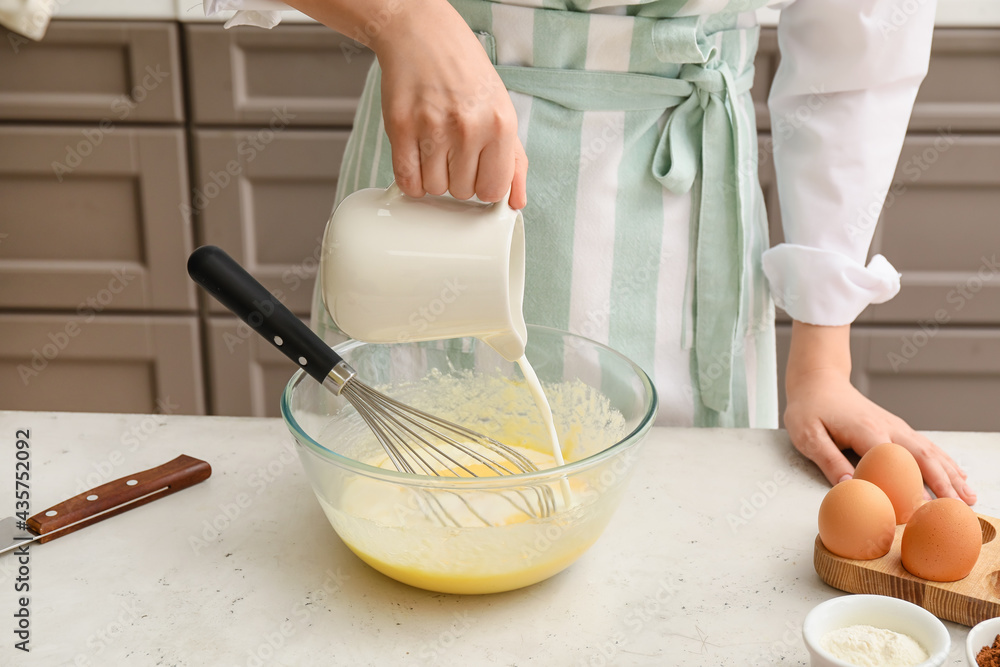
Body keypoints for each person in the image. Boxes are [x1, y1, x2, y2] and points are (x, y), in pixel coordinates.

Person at [208, 0, 976, 504]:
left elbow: (862, 44)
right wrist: (399, 16)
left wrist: (822, 360)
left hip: (680, 220)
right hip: (437, 184)